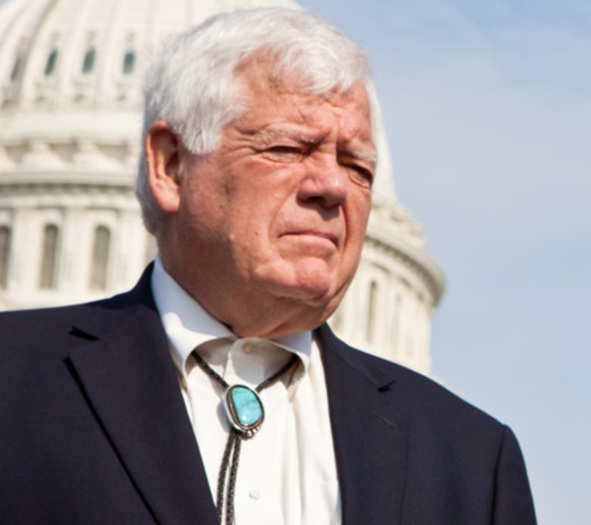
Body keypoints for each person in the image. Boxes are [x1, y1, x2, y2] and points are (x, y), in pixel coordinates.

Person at [0, 8, 536, 525]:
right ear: (171, 165)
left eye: (356, 165)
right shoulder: (14, 380)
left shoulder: (467, 463)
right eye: (287, 147)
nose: (330, 187)